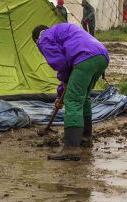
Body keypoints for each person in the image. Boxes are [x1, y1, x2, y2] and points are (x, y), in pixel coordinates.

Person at [33, 23, 109, 161]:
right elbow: (68, 69)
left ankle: (71, 149)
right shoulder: (59, 30)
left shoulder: (43, 39)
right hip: (101, 55)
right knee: (83, 98)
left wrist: (62, 95)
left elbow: (61, 64)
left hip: (85, 57)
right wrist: (59, 94)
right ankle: (85, 138)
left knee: (73, 100)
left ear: (36, 40)